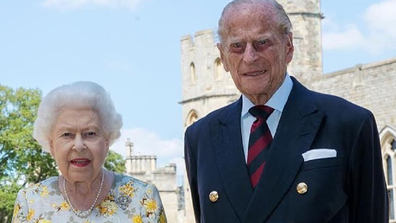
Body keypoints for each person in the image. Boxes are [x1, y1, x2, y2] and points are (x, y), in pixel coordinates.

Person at [184, 0, 388, 222]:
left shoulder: (350, 124)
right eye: (237, 46)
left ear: (288, 47)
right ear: (222, 56)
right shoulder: (200, 137)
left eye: (262, 42)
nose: (249, 57)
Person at [12, 81, 167, 223]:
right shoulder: (29, 202)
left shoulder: (143, 199)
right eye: (67, 134)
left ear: (106, 142)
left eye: (90, 133)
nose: (79, 146)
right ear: (51, 145)